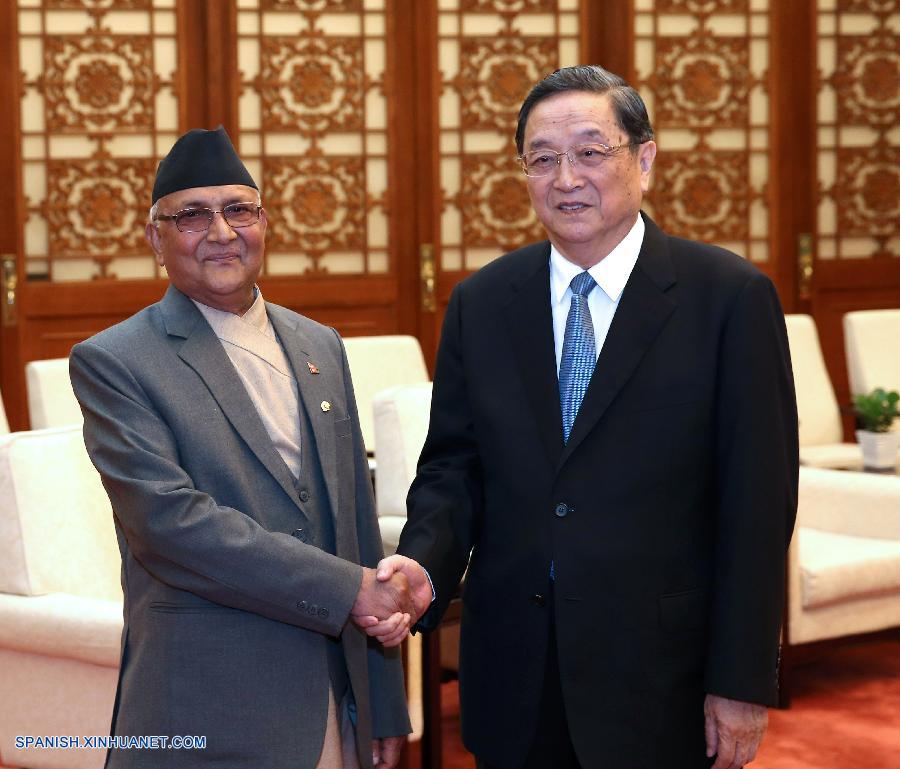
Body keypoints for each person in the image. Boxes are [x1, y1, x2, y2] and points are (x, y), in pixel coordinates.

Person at [370, 66, 798, 769]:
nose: (566, 177)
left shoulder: (728, 299)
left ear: (645, 158)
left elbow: (757, 509)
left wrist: (742, 679)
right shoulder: (483, 303)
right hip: (514, 674)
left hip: (661, 679)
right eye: (543, 158)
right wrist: (423, 562)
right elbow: (453, 468)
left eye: (591, 152)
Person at [70, 126, 413, 769]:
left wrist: (384, 702)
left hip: (333, 708)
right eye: (191, 216)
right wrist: (350, 590)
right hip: (204, 706)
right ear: (156, 238)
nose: (221, 232)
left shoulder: (320, 345)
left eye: (238, 209)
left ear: (264, 223)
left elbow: (354, 524)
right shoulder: (117, 361)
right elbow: (172, 526)